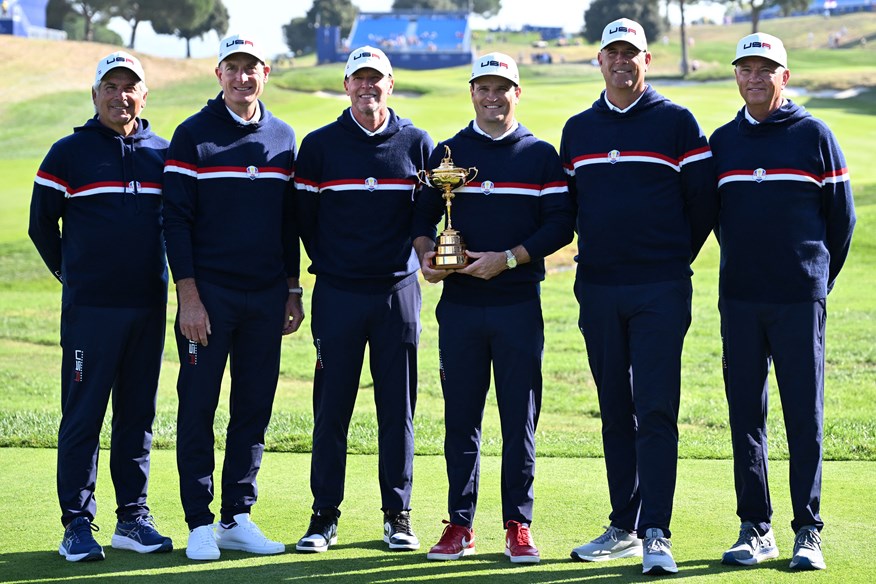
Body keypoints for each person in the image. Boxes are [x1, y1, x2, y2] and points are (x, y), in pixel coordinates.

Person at [559, 19, 718, 575]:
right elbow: (569, 209)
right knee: (613, 410)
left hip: (659, 287)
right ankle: (623, 525)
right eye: (612, 54)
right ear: (598, 62)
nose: (622, 62)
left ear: (646, 60)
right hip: (599, 288)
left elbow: (702, 204)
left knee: (653, 409)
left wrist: (672, 258)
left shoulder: (677, 122)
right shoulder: (578, 130)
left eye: (631, 53)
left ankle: (656, 530)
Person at [413, 52, 574, 564]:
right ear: (472, 92)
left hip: (517, 304)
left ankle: (517, 525)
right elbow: (421, 221)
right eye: (483, 87)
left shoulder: (541, 156)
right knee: (461, 418)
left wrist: (508, 259)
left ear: (516, 93)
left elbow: (559, 226)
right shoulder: (448, 153)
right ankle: (459, 525)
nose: (492, 96)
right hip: (459, 306)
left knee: (517, 420)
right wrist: (429, 262)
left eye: (501, 87)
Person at [710, 33, 856, 571]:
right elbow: (718, 220)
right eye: (745, 68)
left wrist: (814, 276)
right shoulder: (722, 141)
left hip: (799, 299)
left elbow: (841, 224)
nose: (753, 77)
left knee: (803, 414)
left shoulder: (815, 135)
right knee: (746, 414)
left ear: (784, 77)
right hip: (741, 300)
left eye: (764, 69)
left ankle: (807, 530)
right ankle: (755, 527)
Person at [162, 34, 303, 561]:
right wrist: (188, 296)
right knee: (198, 404)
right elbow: (174, 220)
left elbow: (289, 222)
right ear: (218, 74)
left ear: (265, 73)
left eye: (252, 68)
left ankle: (236, 515)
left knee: (253, 407)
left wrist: (291, 287)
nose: (243, 77)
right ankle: (199, 520)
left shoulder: (283, 137)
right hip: (210, 295)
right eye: (233, 68)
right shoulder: (192, 135)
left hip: (266, 296)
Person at [29, 51, 173, 562]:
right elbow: (41, 226)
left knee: (138, 414)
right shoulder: (68, 153)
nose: (120, 95)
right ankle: (76, 523)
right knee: (84, 415)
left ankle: (132, 517)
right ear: (95, 96)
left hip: (147, 306)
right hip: (91, 311)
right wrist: (72, 275)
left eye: (130, 86)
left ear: (144, 94)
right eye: (110, 86)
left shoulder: (163, 153)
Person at [292, 46, 433, 553]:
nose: (368, 87)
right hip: (338, 294)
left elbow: (427, 216)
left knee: (398, 409)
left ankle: (398, 514)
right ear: (346, 85)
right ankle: (323, 516)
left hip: (398, 293)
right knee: (332, 409)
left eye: (377, 79)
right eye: (359, 79)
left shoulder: (418, 144)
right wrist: (330, 266)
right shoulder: (320, 146)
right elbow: (303, 222)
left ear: (390, 85)